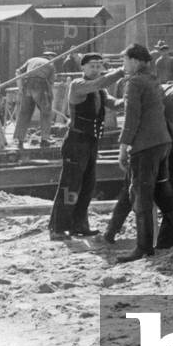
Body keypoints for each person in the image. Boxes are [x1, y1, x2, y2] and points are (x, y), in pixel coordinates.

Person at [104, 73, 173, 249]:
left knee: (132, 189)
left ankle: (111, 232)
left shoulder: (161, 88)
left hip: (141, 141)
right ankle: (168, 241)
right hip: (164, 142)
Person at [114, 43, 173, 263]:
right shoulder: (153, 80)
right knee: (164, 193)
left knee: (141, 197)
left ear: (136, 61)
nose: (124, 65)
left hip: (145, 147)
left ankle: (143, 246)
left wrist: (123, 148)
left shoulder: (134, 83)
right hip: (162, 144)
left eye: (125, 60)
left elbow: (131, 119)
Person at [48, 53, 124, 240]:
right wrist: (122, 71)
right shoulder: (78, 85)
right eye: (92, 66)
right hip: (76, 141)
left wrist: (126, 101)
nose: (96, 69)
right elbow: (98, 84)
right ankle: (58, 228)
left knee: (88, 185)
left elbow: (112, 103)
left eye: (99, 66)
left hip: (91, 142)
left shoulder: (100, 91)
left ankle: (79, 225)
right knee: (70, 186)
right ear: (83, 68)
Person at [13, 51, 56, 149]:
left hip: (27, 84)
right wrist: (50, 98)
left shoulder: (31, 60)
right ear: (50, 57)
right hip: (41, 85)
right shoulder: (51, 64)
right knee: (46, 113)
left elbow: (18, 72)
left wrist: (20, 88)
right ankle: (45, 140)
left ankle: (20, 140)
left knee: (24, 113)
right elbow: (51, 83)